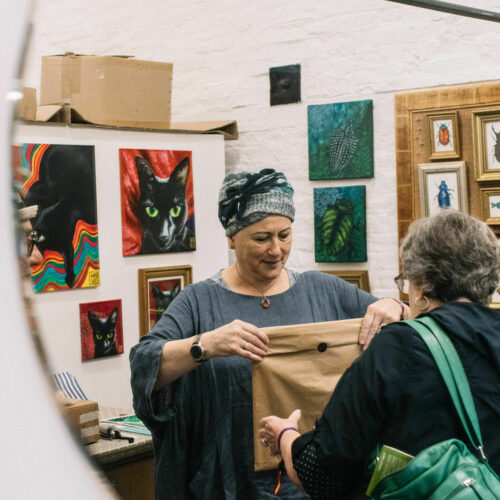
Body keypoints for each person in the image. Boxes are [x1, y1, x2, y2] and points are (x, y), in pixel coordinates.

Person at [130, 168, 408, 499]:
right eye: (262, 238)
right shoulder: (199, 301)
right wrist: (206, 344)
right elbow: (145, 364)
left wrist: (397, 306)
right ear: (232, 238)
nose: (276, 249)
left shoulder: (324, 291)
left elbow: (406, 330)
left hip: (316, 482)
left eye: (284, 235)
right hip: (230, 485)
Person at [259, 209, 500, 499]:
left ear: (422, 283)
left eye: (407, 281)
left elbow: (320, 474)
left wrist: (285, 435)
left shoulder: (400, 347)